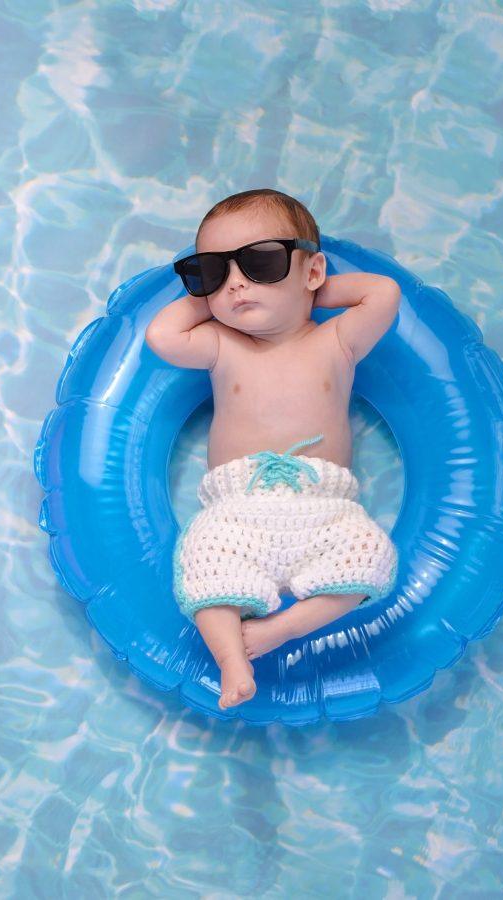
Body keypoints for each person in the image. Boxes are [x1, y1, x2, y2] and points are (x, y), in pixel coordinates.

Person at [145, 189, 400, 709]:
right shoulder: (223, 345)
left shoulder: (337, 342)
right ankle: (232, 659)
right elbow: (161, 335)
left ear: (312, 271)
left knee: (371, 558)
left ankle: (276, 632)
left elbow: (383, 293)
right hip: (237, 507)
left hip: (324, 505)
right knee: (202, 562)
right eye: (212, 271)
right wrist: (218, 298)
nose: (237, 282)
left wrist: (313, 292)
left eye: (261, 262)